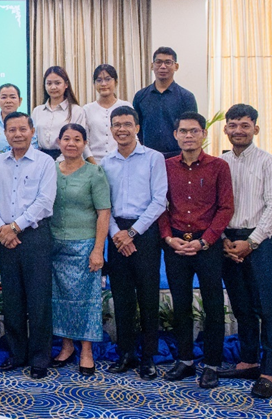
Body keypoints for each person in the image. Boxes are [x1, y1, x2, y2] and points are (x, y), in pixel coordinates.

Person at [216, 104, 272, 399]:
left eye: (245, 125)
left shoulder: (269, 162)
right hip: (227, 241)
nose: (238, 131)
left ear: (255, 128)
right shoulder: (220, 163)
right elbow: (214, 206)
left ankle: (269, 372)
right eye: (233, 125)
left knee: (267, 308)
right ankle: (248, 361)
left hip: (259, 242)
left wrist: (252, 242)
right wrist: (221, 238)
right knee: (241, 305)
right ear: (225, 129)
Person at [158, 112, 233, 389]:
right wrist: (167, 237)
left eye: (194, 131)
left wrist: (206, 241)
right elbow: (159, 205)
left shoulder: (218, 167)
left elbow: (226, 208)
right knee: (181, 306)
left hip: (208, 245)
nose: (188, 136)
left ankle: (212, 364)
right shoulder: (165, 166)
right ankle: (186, 359)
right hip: (176, 244)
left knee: (213, 306)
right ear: (175, 135)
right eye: (183, 131)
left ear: (204, 134)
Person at [0, 112, 57, 379]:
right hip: (4, 236)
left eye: (22, 129)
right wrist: (1, 228)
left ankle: (40, 357)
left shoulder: (44, 162)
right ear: (5, 134)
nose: (17, 134)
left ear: (32, 131)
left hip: (35, 237)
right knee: (12, 299)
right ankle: (17, 353)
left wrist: (14, 227)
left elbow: (45, 202)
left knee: (38, 299)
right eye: (12, 130)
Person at [100, 106, 167, 380]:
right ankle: (126, 354)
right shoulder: (106, 162)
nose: (122, 129)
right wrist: (118, 233)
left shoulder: (154, 158)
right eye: (116, 124)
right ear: (111, 128)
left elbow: (159, 200)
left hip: (145, 233)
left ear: (137, 128)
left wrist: (133, 233)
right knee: (123, 298)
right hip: (117, 234)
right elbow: (104, 204)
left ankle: (148, 358)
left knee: (148, 298)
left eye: (127, 124)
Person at [49, 124, 111, 377]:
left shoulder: (94, 173)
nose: (71, 143)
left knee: (85, 301)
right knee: (59, 300)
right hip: (54, 246)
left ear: (85, 143)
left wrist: (98, 250)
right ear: (59, 142)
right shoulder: (50, 170)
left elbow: (103, 213)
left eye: (77, 139)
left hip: (84, 245)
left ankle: (86, 350)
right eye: (66, 138)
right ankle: (66, 347)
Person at [132, 47, 197, 158]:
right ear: (152, 66)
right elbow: (137, 127)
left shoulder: (186, 97)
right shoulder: (140, 96)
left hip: (178, 157)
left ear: (176, 66)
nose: (163, 66)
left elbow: (192, 128)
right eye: (158, 62)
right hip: (148, 156)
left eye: (168, 62)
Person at [30, 66, 92, 161]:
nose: (53, 87)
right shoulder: (37, 111)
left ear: (66, 84)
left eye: (57, 83)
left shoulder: (76, 111)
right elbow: (33, 140)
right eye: (49, 83)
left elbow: (80, 141)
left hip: (68, 159)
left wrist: (59, 163)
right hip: (40, 160)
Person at [82, 64, 132, 163]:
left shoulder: (126, 106)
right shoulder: (87, 109)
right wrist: (94, 165)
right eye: (99, 80)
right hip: (94, 164)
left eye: (108, 79)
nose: (103, 84)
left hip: (122, 161)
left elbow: (133, 136)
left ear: (116, 82)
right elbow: (84, 142)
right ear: (94, 84)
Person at [0, 83, 38, 156]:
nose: (8, 101)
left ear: (20, 101)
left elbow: (34, 148)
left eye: (12, 97)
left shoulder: (29, 122)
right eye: (4, 97)